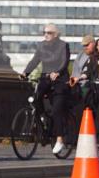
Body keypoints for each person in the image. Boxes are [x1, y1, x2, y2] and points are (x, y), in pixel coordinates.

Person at [21, 23, 71, 156]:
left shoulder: (63, 45)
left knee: (57, 110)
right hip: (45, 78)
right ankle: (43, 121)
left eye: (48, 32)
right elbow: (35, 60)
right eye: (44, 32)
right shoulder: (41, 46)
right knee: (35, 99)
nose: (46, 34)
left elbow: (64, 62)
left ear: (55, 34)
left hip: (60, 80)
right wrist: (25, 73)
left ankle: (60, 139)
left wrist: (58, 72)